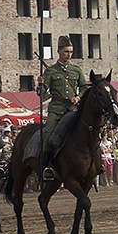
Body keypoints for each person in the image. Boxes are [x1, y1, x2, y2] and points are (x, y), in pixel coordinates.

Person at [37, 35, 87, 181]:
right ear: (59, 51)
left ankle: (93, 163)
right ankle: (45, 168)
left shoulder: (76, 70)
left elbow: (84, 88)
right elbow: (42, 94)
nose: (69, 55)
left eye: (71, 52)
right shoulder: (50, 71)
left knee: (87, 131)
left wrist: (78, 97)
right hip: (57, 109)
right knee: (48, 135)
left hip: (72, 109)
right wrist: (40, 85)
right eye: (66, 52)